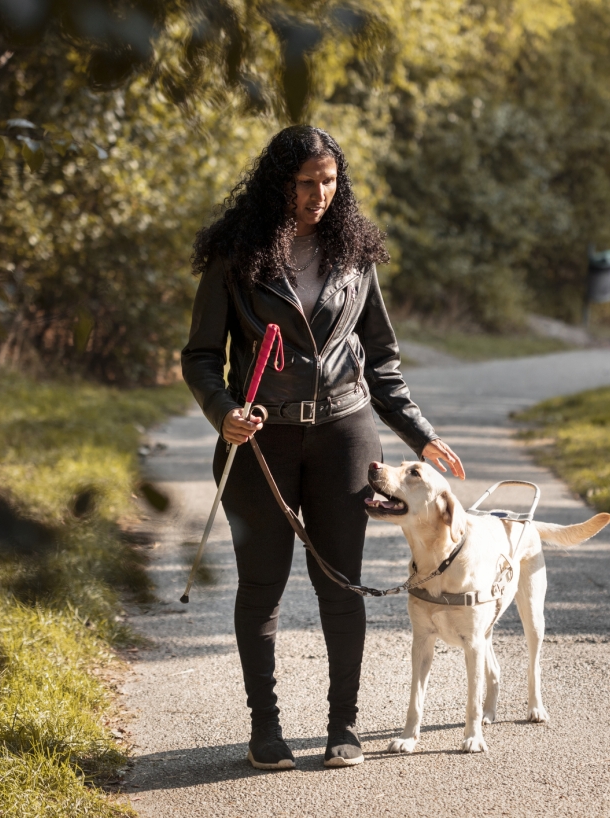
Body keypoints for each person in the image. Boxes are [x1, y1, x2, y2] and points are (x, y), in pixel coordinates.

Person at [183, 125, 464, 770]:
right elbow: (200, 356)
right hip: (258, 441)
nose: (318, 195)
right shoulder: (236, 254)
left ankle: (344, 726)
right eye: (305, 183)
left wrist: (421, 434)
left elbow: (382, 363)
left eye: (329, 182)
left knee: (342, 584)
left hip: (345, 433)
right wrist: (223, 411)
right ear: (279, 183)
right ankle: (265, 729)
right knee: (262, 585)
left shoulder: (353, 255)